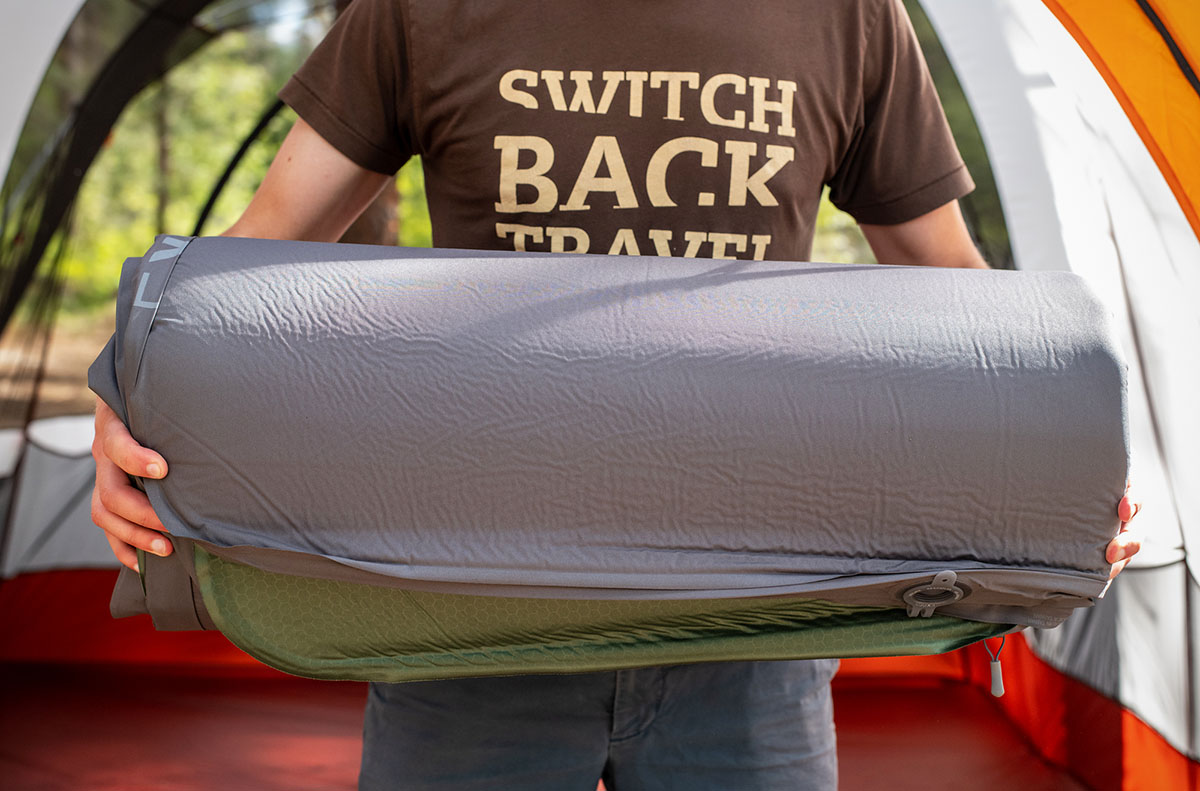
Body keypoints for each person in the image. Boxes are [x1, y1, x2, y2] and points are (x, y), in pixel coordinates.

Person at [90, 1, 1143, 788]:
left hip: (752, 629)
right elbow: (258, 254)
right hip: (463, 616)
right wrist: (124, 395)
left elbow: (950, 293)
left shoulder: (847, 11)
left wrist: (1056, 471)